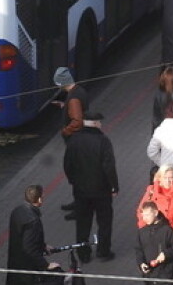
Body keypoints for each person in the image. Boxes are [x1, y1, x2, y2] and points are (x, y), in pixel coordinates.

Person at [64, 112, 118, 262]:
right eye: (99, 122)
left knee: (82, 222)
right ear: (94, 123)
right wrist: (114, 186)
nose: (101, 124)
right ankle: (103, 251)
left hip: (81, 191)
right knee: (105, 221)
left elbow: (67, 164)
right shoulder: (103, 141)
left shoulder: (74, 140)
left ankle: (83, 253)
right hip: (101, 190)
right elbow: (109, 166)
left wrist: (73, 181)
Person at [7, 185, 59, 284]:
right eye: (42, 196)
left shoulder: (17, 210)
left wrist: (43, 246)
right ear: (39, 199)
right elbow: (29, 248)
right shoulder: (33, 221)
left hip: (15, 261)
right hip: (27, 269)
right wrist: (45, 265)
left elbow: (26, 237)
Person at [54, 66, 88, 218]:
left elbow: (77, 121)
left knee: (77, 174)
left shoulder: (73, 98)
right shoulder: (78, 91)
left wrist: (65, 131)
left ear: (63, 82)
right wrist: (64, 107)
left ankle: (80, 208)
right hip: (81, 140)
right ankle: (78, 203)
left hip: (75, 141)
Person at [136, 164, 173, 250]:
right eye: (165, 177)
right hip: (153, 238)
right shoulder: (151, 192)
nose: (168, 181)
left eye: (171, 177)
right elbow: (141, 211)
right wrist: (144, 229)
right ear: (159, 178)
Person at [135, 201, 173, 284]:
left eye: (147, 215)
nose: (144, 218)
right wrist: (141, 263)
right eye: (143, 215)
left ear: (155, 213)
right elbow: (139, 250)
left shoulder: (167, 230)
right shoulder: (142, 232)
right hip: (149, 275)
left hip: (166, 275)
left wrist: (165, 254)